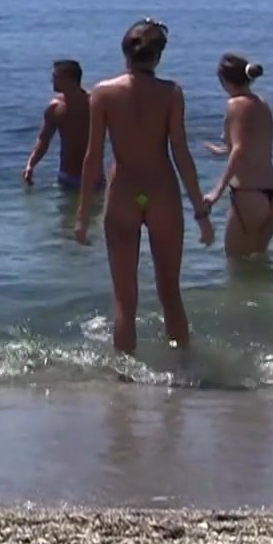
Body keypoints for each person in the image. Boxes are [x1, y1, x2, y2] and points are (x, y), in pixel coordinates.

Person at [73, 18, 214, 362]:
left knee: (124, 299)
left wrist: (82, 215)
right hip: (161, 192)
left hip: (124, 193)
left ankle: (124, 377)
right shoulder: (171, 93)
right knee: (170, 292)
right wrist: (201, 211)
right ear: (158, 56)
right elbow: (180, 153)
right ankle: (184, 368)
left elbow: (92, 157)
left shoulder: (103, 93)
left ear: (125, 53)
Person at [202, 54, 273, 257]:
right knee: (258, 261)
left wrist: (216, 193)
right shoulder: (262, 103)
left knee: (236, 263)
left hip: (249, 194)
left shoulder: (235, 104)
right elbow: (254, 147)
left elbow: (239, 150)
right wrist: (221, 151)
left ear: (223, 80)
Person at [21, 59, 99, 190]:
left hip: (94, 176)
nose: (52, 81)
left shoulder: (95, 104)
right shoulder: (55, 108)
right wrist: (30, 165)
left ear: (68, 79)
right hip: (66, 176)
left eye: (55, 77)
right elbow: (43, 140)